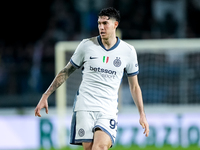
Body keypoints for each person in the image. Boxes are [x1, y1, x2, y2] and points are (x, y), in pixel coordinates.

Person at [35, 7, 149, 150]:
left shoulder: (128, 51)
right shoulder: (86, 45)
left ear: (115, 24)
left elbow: (134, 86)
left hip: (108, 110)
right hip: (85, 107)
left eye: (105, 23)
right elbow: (66, 71)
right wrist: (46, 95)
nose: (101, 27)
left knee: (100, 147)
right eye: (99, 23)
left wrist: (142, 114)